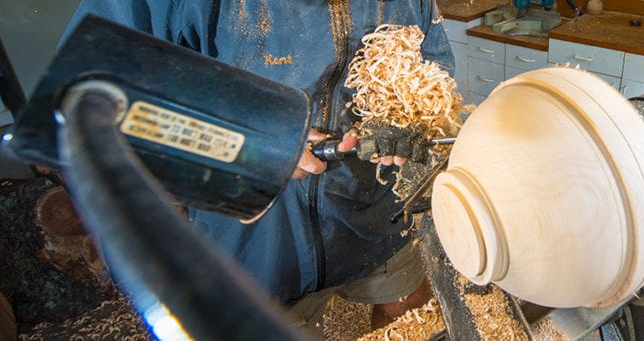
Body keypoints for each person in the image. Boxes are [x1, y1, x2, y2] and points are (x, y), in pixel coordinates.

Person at [63, 0, 454, 338]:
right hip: (257, 236)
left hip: (370, 208)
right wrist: (248, 134)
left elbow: (432, 60)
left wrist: (411, 112)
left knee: (410, 309)